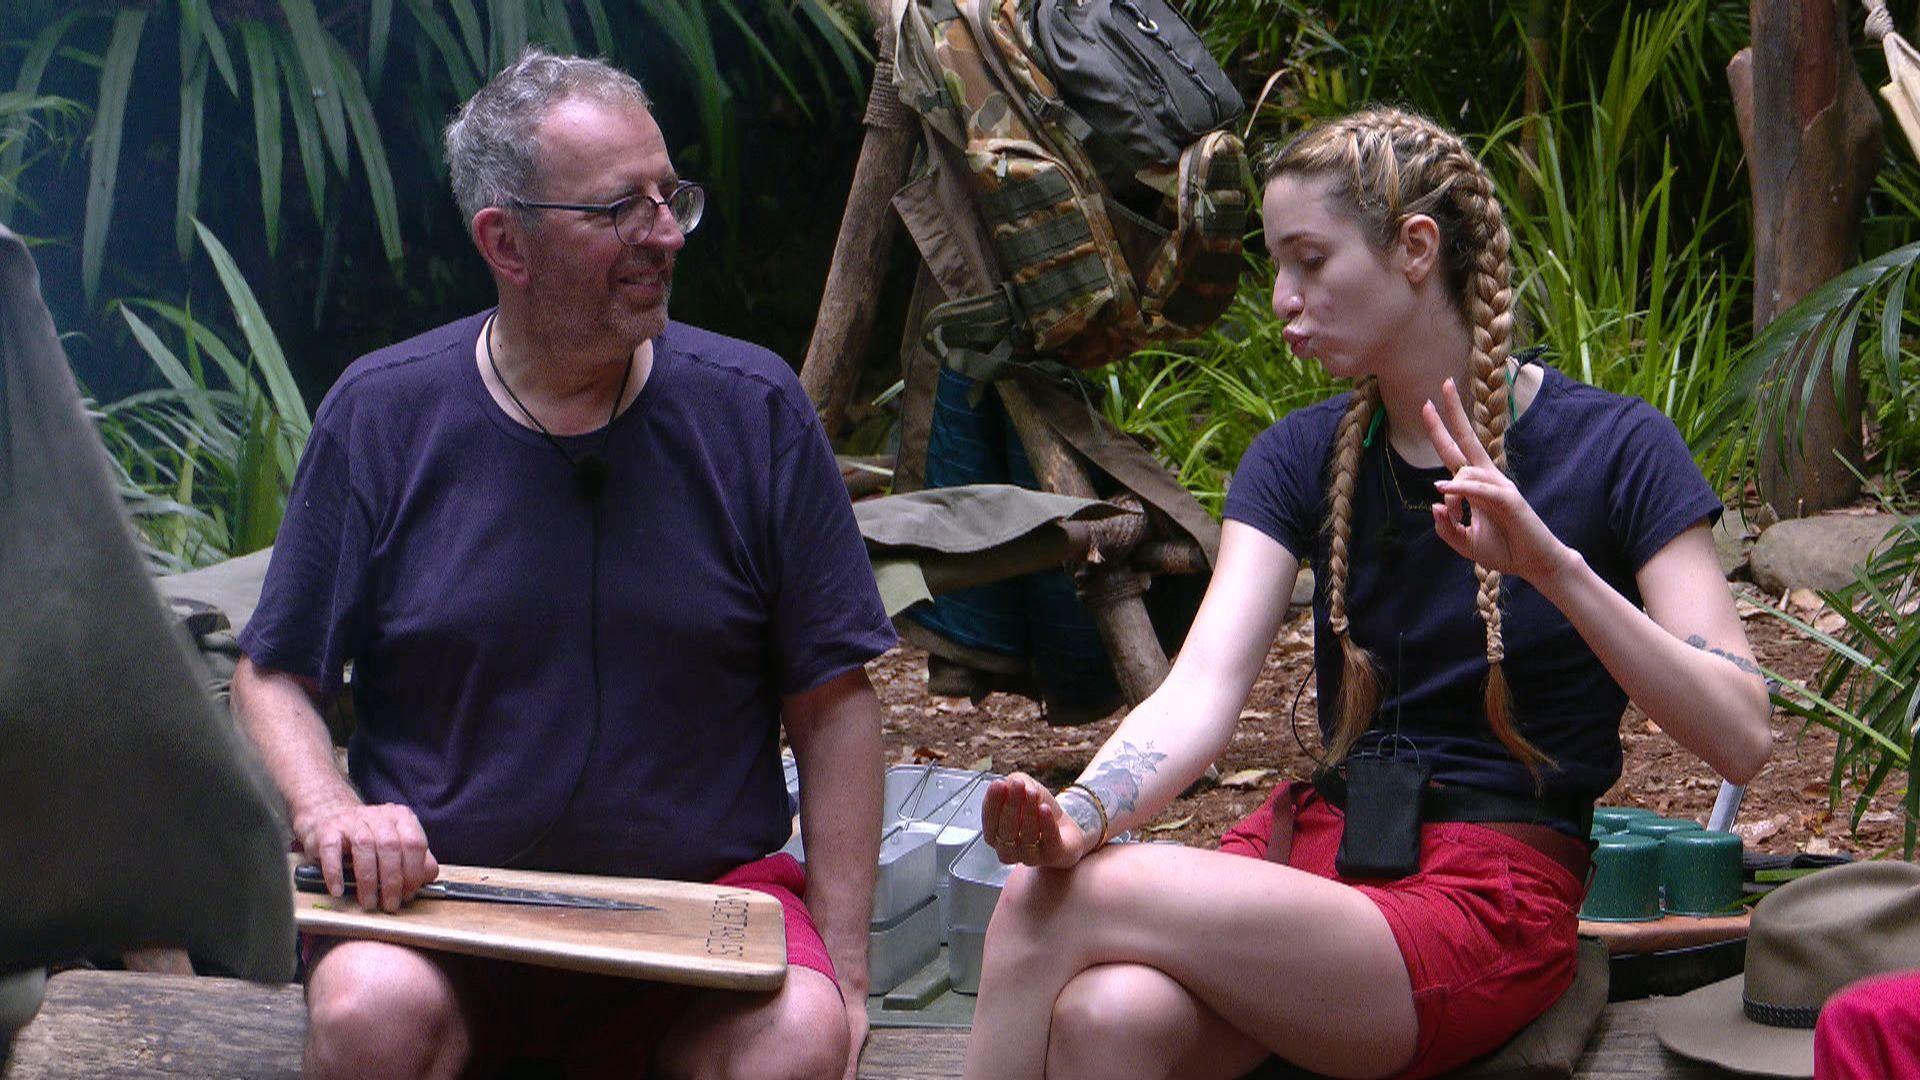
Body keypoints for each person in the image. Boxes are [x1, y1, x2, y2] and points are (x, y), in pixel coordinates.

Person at [961, 106, 1774, 1080]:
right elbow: (1201, 692)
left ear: (1416, 248)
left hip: (1487, 893)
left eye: (1309, 259)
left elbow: (1742, 734)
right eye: (1276, 265)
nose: (1281, 298)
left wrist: (1553, 568)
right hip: (1318, 858)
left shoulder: (1617, 447)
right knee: (1111, 1016)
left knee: (1051, 898)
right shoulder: (1297, 458)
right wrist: (1082, 812)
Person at [232, 48, 894, 1080]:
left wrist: (848, 970)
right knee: (370, 1009)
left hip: (703, 909)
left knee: (800, 1034)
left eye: (669, 197)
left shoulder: (754, 410)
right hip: (447, 909)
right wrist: (331, 813)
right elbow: (273, 672)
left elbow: (835, 702)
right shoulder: (384, 413)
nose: (664, 236)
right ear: (507, 241)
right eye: (618, 211)